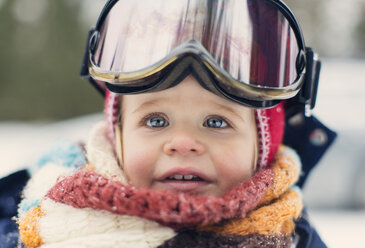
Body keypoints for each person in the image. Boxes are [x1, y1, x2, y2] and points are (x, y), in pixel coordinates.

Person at [0, 0, 337, 247]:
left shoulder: (294, 238)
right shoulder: (33, 228)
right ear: (116, 137)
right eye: (156, 119)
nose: (183, 142)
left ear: (263, 149)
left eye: (217, 122)